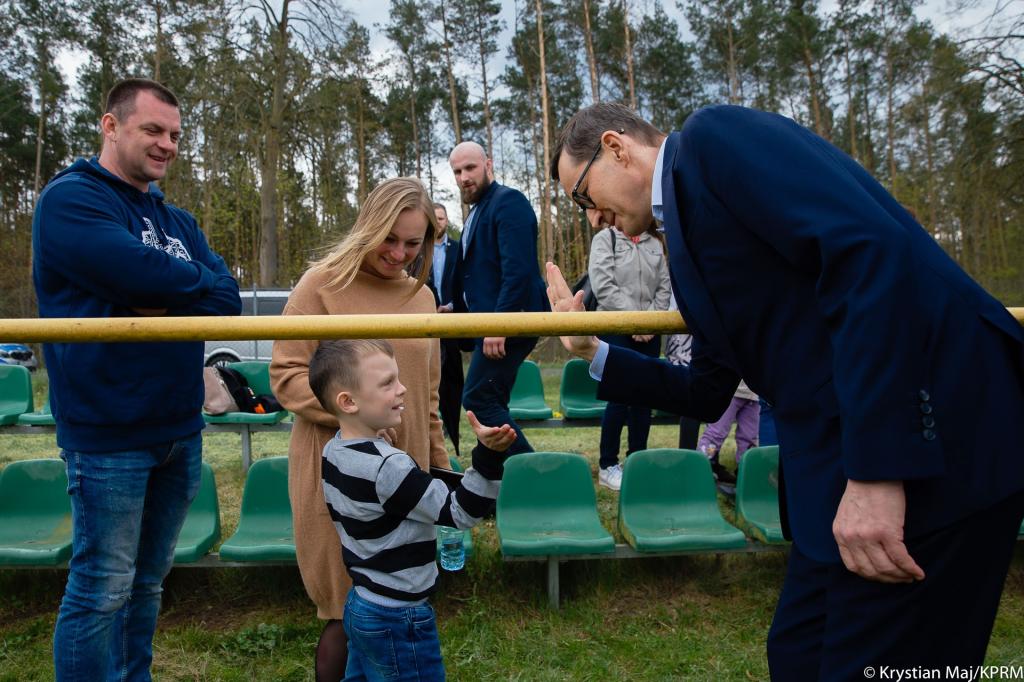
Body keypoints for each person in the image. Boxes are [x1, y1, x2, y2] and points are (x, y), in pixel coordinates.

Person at [546, 102, 1024, 678]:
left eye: (583, 196)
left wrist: (878, 474)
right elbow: (706, 390)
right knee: (796, 655)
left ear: (616, 148)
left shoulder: (711, 142)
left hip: (940, 447)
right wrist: (592, 351)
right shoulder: (685, 242)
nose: (591, 219)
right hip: (832, 480)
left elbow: (868, 253)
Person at [32, 78, 241, 679]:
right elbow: (138, 271)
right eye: (153, 129)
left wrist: (159, 291)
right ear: (111, 125)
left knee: (148, 583)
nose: (167, 144)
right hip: (108, 433)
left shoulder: (178, 220)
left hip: (179, 428)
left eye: (175, 134)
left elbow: (226, 299)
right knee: (101, 588)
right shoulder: (72, 200)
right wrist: (177, 282)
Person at [270, 178, 451, 681]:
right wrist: (355, 418)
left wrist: (440, 467)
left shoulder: (421, 297)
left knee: (391, 604)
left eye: (413, 243)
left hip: (404, 468)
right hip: (339, 471)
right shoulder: (321, 285)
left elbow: (428, 394)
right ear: (368, 226)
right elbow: (286, 375)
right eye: (389, 239)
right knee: (344, 609)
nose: (399, 254)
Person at [308, 339, 516, 681]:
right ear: (348, 402)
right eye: (387, 383)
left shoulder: (334, 451)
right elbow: (460, 513)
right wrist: (489, 456)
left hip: (361, 602)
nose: (402, 388)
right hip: (398, 616)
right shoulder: (388, 467)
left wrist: (380, 443)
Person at [588, 223, 671, 490]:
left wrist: (650, 323)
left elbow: (664, 287)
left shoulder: (655, 243)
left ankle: (638, 462)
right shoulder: (605, 239)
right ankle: (608, 465)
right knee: (619, 397)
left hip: (650, 331)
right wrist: (634, 321)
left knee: (645, 398)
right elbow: (603, 286)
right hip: (616, 328)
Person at [427, 202, 465, 457]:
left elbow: (464, 283)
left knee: (452, 381)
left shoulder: (458, 249)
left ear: (447, 221)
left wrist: (451, 307)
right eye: (434, 217)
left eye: (441, 218)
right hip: (424, 324)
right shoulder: (417, 249)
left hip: (451, 324)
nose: (438, 222)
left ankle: (453, 430)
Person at [696, 380, 759, 495]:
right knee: (716, 433)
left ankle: (746, 475)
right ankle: (702, 467)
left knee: (749, 438)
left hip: (754, 393)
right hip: (730, 390)